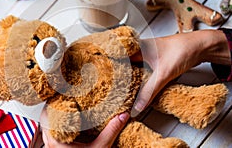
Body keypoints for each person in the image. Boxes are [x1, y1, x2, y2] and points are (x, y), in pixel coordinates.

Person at [41, 28, 232, 147]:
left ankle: (196, 102)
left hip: (135, 78)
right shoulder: (59, 98)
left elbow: (116, 40)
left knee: (162, 91)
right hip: (110, 120)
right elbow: (62, 123)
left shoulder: (81, 47)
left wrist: (124, 40)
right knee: (131, 136)